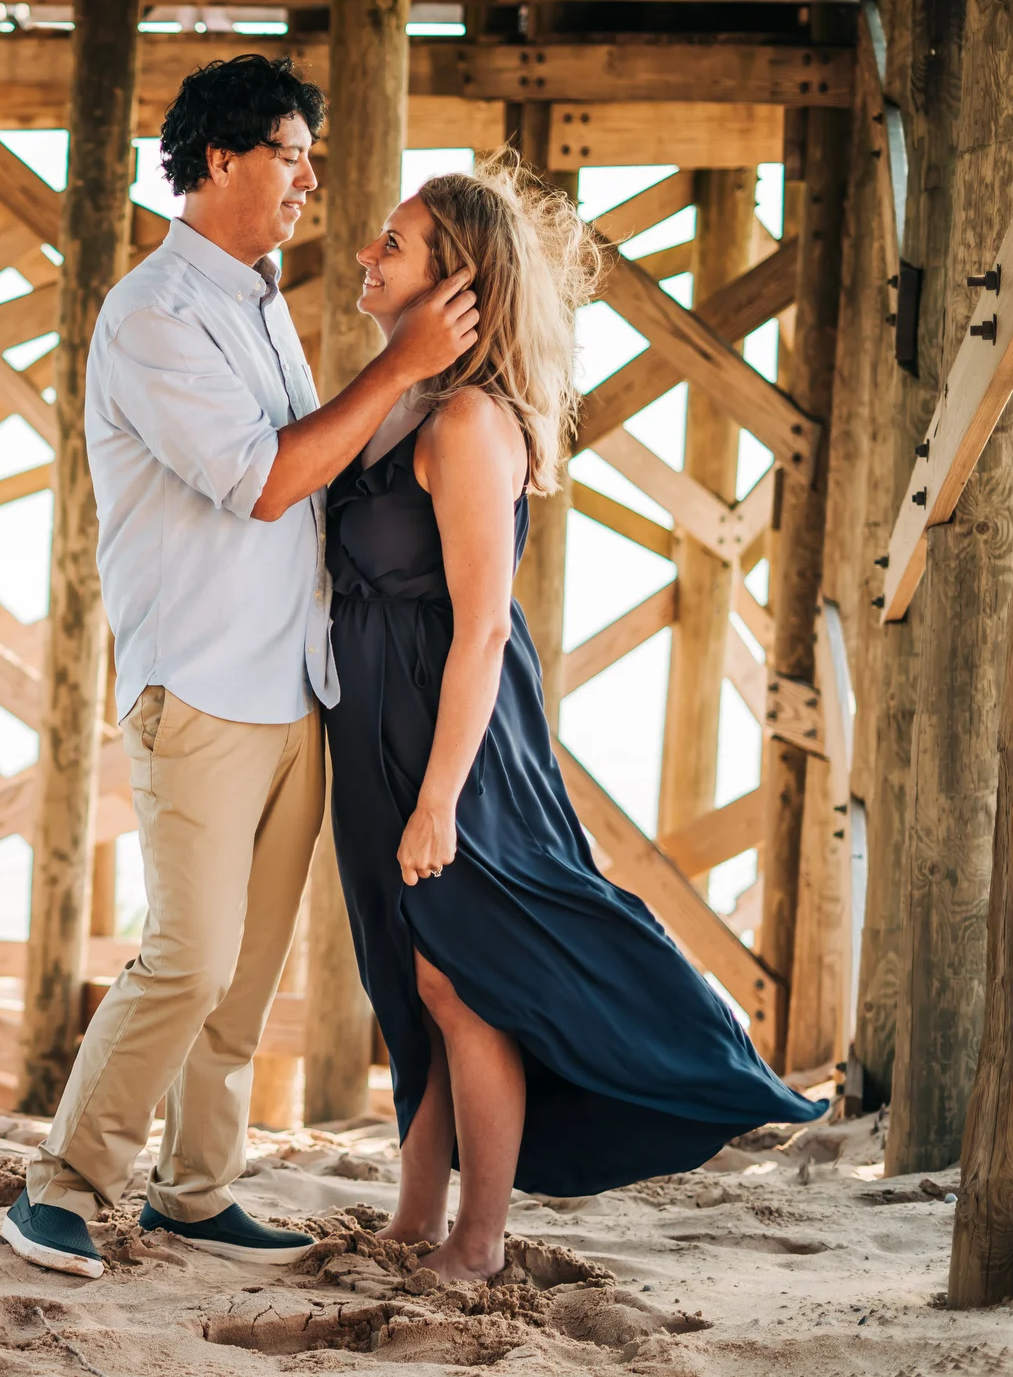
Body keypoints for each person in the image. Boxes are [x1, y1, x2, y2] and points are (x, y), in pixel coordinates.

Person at [0, 54, 478, 1281]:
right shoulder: (154, 314)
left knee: (245, 979)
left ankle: (196, 1194)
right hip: (199, 689)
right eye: (290, 152)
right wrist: (402, 362)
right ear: (219, 158)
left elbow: (323, 464)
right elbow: (266, 483)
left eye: (311, 156)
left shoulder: (260, 300)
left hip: (292, 688)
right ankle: (63, 1182)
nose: (311, 178)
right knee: (191, 956)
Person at [323, 154, 825, 1285]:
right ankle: (412, 1220)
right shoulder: (396, 396)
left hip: (451, 736)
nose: (367, 254)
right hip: (376, 727)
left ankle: (478, 1241)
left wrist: (442, 795)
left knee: (468, 977)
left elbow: (484, 630)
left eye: (393, 244)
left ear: (458, 284)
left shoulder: (464, 425)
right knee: (417, 976)